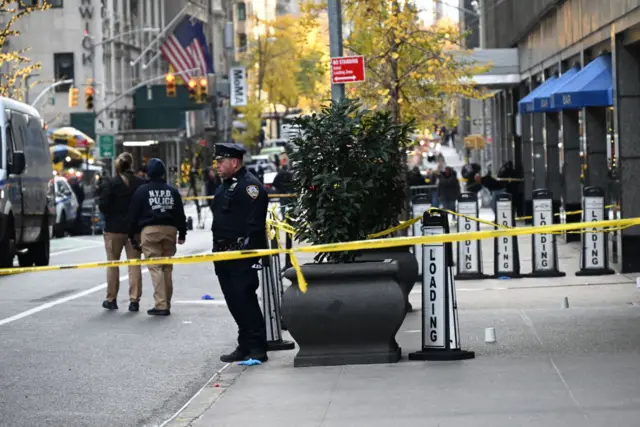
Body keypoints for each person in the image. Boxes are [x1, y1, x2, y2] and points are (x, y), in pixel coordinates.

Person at [211, 142, 268, 363]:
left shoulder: (249, 187)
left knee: (245, 300)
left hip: (240, 255)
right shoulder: (225, 185)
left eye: (221, 161)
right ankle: (245, 344)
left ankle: (257, 347)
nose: (217, 165)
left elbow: (254, 225)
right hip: (223, 254)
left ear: (234, 162)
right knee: (234, 302)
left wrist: (247, 253)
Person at [129, 158, 187, 316]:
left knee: (155, 267)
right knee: (167, 267)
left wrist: (133, 236)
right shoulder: (172, 191)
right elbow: (180, 215)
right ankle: (166, 302)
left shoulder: (142, 191)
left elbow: (133, 215)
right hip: (170, 230)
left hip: (150, 231)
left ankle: (161, 305)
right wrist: (182, 233)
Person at [99, 153, 146, 311]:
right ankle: (134, 300)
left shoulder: (111, 183)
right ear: (131, 165)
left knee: (113, 264)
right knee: (134, 264)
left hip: (114, 229)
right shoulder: (140, 183)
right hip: (134, 229)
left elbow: (103, 205)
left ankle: (111, 298)